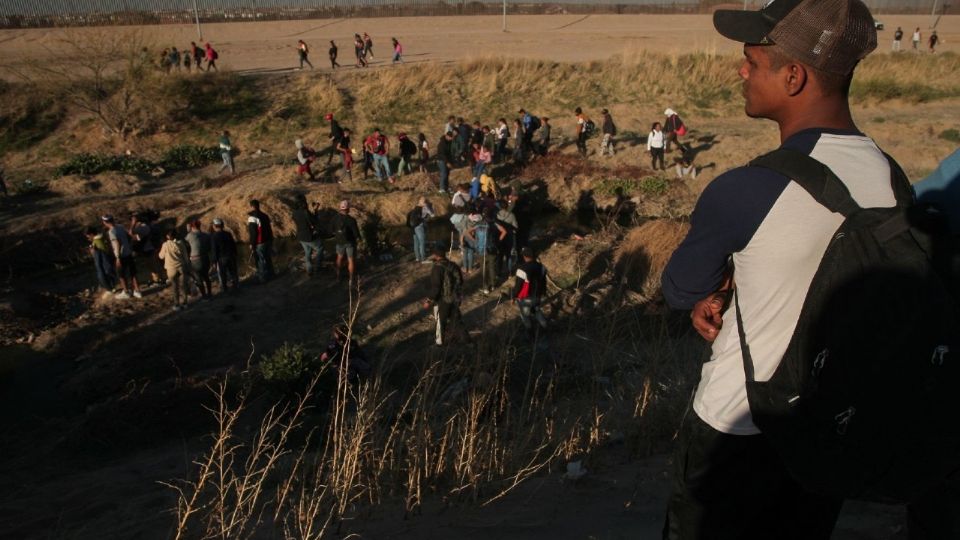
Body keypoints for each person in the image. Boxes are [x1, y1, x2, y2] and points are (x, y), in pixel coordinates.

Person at [660, 1, 917, 537]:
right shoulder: (892, 179)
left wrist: (721, 286)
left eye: (752, 61)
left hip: (737, 428)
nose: (741, 71)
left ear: (794, 76)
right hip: (826, 433)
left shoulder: (747, 189)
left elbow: (682, 287)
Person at [423, 246, 467, 346]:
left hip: (442, 300)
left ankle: (439, 344)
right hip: (455, 298)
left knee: (440, 322)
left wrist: (429, 300)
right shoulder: (453, 265)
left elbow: (436, 287)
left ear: (436, 256)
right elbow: (460, 281)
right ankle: (467, 341)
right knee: (457, 321)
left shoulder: (437, 268)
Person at [465, 207, 506, 294]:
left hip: (480, 249)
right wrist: (498, 241)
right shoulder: (494, 223)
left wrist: (475, 241)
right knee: (492, 267)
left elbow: (467, 232)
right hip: (492, 249)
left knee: (483, 268)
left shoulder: (479, 223)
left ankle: (485, 287)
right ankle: (493, 285)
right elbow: (504, 231)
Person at [102, 215, 142, 299]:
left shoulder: (111, 232)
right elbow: (128, 237)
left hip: (121, 255)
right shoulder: (120, 227)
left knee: (121, 274)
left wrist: (117, 257)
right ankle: (137, 291)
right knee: (132, 272)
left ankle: (126, 291)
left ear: (105, 222)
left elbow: (117, 244)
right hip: (128, 253)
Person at [512, 247, 548, 335]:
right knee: (537, 310)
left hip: (526, 298)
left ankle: (530, 333)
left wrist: (513, 296)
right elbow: (544, 282)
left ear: (524, 256)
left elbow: (518, 285)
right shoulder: (542, 267)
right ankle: (545, 327)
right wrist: (543, 293)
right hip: (538, 296)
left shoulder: (522, 269)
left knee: (525, 315)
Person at [158, 230, 191, 311]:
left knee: (175, 287)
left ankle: (177, 304)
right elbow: (186, 256)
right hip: (181, 266)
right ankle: (185, 302)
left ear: (167, 236)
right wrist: (188, 265)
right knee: (183, 285)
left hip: (171, 268)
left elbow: (161, 256)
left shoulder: (165, 245)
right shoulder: (181, 243)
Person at [293, 194, 323, 276]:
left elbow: (306, 221)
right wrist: (316, 210)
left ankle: (309, 270)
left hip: (300, 236)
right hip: (309, 236)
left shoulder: (294, 212)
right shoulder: (305, 212)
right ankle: (318, 267)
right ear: (302, 202)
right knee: (320, 248)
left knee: (307, 252)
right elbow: (315, 221)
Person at [332, 200, 361, 283]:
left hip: (339, 242)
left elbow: (331, 230)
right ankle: (351, 279)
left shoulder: (335, 218)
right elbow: (356, 234)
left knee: (339, 258)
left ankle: (338, 277)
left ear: (340, 208)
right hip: (350, 243)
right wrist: (358, 239)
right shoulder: (351, 220)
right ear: (348, 209)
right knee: (351, 260)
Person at [85, 226, 117, 297]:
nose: (88, 239)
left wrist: (93, 251)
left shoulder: (97, 241)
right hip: (109, 260)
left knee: (102, 273)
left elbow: (99, 254)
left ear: (91, 234)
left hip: (104, 261)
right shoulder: (103, 237)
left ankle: (109, 289)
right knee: (109, 272)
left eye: (88, 237)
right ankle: (112, 286)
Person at [247, 199, 274, 283]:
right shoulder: (265, 215)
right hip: (268, 240)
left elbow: (253, 232)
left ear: (252, 206)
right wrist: (271, 239)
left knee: (260, 260)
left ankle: (263, 278)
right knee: (268, 258)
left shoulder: (252, 218)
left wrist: (252, 243)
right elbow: (269, 229)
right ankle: (271, 275)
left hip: (260, 242)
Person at [185, 220, 212, 299]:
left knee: (198, 278)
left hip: (195, 259)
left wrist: (188, 230)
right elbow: (209, 247)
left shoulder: (190, 235)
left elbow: (185, 242)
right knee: (206, 276)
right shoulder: (206, 235)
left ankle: (204, 296)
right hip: (205, 258)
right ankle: (209, 293)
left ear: (192, 227)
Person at [211, 218, 239, 292]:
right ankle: (236, 286)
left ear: (214, 226)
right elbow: (233, 245)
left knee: (223, 275)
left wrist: (214, 261)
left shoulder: (214, 236)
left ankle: (225, 289)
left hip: (221, 258)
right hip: (231, 256)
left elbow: (214, 250)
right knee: (233, 272)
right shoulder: (228, 234)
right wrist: (235, 254)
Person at [409, 197, 434, 264]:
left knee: (416, 243)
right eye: (424, 201)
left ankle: (417, 258)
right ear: (421, 202)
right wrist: (429, 206)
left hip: (414, 227)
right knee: (422, 242)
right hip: (420, 226)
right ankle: (423, 259)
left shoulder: (415, 208)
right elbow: (432, 215)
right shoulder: (424, 207)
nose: (425, 202)